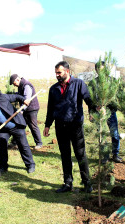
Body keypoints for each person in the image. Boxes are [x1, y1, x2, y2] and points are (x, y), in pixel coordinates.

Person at [43, 61, 94, 193]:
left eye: (59, 72)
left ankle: (87, 182)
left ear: (67, 71)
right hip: (60, 126)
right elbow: (50, 108)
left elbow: (87, 98)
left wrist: (95, 108)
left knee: (80, 154)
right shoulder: (53, 89)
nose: (57, 75)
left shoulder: (78, 84)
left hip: (75, 125)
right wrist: (48, 125)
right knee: (65, 155)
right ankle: (67, 183)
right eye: (56, 73)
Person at [0, 94, 35, 174]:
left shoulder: (0, 98)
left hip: (15, 125)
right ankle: (3, 167)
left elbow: (15, 97)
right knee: (1, 146)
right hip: (2, 129)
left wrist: (23, 100)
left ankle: (30, 165)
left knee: (23, 145)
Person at [93, 61, 122, 163]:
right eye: (99, 70)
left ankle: (115, 154)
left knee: (114, 133)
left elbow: (120, 93)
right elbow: (89, 98)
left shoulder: (112, 81)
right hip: (99, 113)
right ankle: (104, 156)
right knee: (102, 134)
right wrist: (92, 111)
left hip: (111, 111)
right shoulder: (94, 83)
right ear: (96, 70)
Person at [9, 74, 43, 150]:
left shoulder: (26, 85)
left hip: (32, 108)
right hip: (25, 108)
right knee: (19, 124)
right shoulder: (21, 85)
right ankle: (14, 142)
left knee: (33, 126)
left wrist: (22, 110)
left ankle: (39, 143)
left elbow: (27, 100)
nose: (15, 85)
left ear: (17, 80)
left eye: (14, 84)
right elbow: (21, 95)